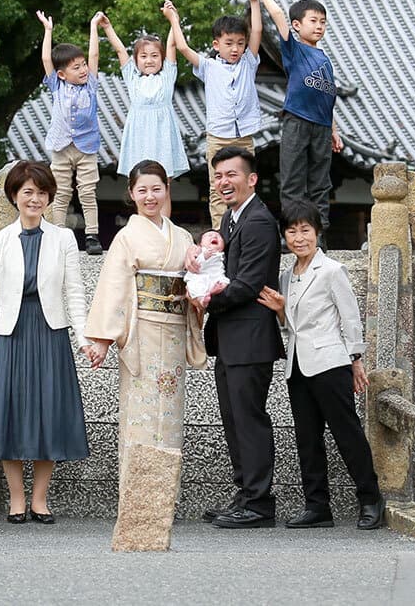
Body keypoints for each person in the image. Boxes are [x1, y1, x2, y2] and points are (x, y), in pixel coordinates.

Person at [84, 160, 206, 503]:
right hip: (142, 333)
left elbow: (195, 282)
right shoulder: (127, 237)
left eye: (156, 189)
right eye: (142, 190)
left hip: (176, 330)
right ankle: (137, 498)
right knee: (141, 414)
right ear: (131, 194)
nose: (150, 196)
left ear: (167, 190)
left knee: (169, 417)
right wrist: (104, 339)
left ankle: (164, 499)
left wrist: (200, 296)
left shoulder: (182, 237)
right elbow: (115, 287)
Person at [257, 199, 384, 530]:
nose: (299, 238)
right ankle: (317, 506)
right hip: (298, 365)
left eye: (305, 230)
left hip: (330, 362)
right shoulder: (286, 277)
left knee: (347, 434)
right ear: (285, 236)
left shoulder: (331, 270)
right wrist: (281, 310)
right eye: (292, 231)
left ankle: (370, 499)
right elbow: (290, 326)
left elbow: (350, 318)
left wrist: (355, 359)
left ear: (317, 232)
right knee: (307, 438)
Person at [0, 161, 90, 523]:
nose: (35, 199)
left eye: (42, 193)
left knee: (49, 412)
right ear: (14, 196)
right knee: (9, 412)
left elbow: (75, 293)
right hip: (10, 333)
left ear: (49, 197)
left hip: (50, 330)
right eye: (28, 192)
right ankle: (15, 499)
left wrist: (85, 338)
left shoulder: (64, 238)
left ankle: (40, 499)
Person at [197, 145, 282, 529]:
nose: (223, 182)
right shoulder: (231, 220)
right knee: (233, 420)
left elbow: (247, 284)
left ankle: (260, 503)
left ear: (251, 179)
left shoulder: (259, 221)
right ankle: (245, 494)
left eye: (231, 174)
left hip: (249, 338)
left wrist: (202, 298)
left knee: (249, 420)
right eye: (218, 176)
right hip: (230, 339)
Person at [172, 0, 265, 228]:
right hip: (218, 136)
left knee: (246, 186)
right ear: (216, 44)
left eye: (240, 43)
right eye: (229, 43)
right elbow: (183, 48)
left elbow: (257, 30)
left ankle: (245, 229)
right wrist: (174, 20)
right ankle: (220, 233)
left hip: (244, 136)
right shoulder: (209, 67)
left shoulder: (248, 63)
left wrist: (254, 1)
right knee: (218, 189)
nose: (235, 49)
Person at [255, 0, 342, 238]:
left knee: (320, 185)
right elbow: (278, 14)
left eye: (323, 22)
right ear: (297, 25)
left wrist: (334, 130)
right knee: (293, 182)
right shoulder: (294, 49)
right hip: (297, 121)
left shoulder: (324, 59)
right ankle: (292, 234)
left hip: (322, 127)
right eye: (313, 21)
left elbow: (326, 97)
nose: (319, 26)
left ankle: (318, 236)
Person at [37, 9, 106, 254]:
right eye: (76, 67)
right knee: (61, 192)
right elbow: (47, 60)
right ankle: (57, 234)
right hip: (61, 146)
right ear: (62, 74)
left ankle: (92, 235)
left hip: (87, 147)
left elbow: (95, 53)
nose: (83, 69)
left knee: (88, 192)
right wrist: (48, 31)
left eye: (83, 64)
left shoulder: (91, 84)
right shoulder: (56, 86)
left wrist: (93, 26)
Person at [101, 6, 187, 180]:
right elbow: (120, 50)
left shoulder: (167, 77)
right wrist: (107, 27)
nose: (149, 60)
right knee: (138, 180)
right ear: (136, 60)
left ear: (162, 59)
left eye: (155, 55)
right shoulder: (132, 78)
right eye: (144, 56)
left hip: (162, 135)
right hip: (139, 135)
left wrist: (173, 19)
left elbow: (172, 44)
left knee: (164, 181)